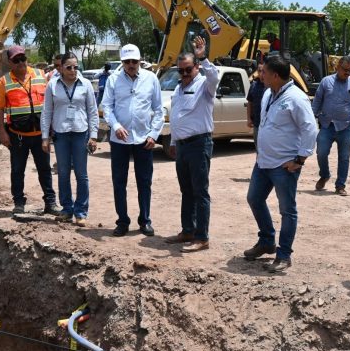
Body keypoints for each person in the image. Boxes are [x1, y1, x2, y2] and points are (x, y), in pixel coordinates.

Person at [243, 54, 318, 273]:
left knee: (287, 210)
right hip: (264, 162)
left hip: (284, 165)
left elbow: (310, 128)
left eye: (264, 72)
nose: (260, 74)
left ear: (275, 75)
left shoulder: (296, 97)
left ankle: (284, 254)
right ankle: (267, 241)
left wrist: (300, 159)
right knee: (254, 199)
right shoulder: (268, 93)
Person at [101, 44, 164, 237]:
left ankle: (145, 220)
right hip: (119, 140)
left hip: (144, 139)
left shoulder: (151, 79)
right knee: (119, 181)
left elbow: (160, 110)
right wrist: (116, 126)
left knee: (144, 181)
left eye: (134, 61)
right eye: (127, 61)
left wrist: (154, 134)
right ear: (122, 62)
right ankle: (122, 221)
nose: (130, 65)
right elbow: (107, 107)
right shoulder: (113, 80)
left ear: (140, 61)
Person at [164, 36, 218, 252]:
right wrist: (175, 141)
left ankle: (202, 237)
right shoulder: (178, 88)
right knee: (186, 190)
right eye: (181, 71)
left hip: (199, 144)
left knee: (200, 192)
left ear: (196, 67)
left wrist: (203, 56)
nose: (185, 74)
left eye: (188, 69)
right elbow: (177, 116)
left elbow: (214, 75)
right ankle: (188, 230)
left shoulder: (205, 85)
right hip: (183, 146)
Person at [0, 45, 57, 216]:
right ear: (10, 62)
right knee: (17, 170)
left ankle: (50, 203)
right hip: (18, 135)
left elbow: (50, 103)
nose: (21, 62)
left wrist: (51, 129)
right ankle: (19, 203)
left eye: (23, 58)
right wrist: (2, 132)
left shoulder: (40, 75)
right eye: (17, 60)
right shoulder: (4, 82)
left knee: (44, 169)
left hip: (40, 134)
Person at [41, 52, 99, 227]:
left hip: (81, 133)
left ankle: (81, 211)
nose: (73, 70)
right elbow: (47, 112)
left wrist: (94, 136)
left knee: (82, 175)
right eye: (69, 67)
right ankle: (67, 209)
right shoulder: (53, 85)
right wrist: (45, 137)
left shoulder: (86, 84)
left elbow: (93, 111)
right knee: (63, 173)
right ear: (61, 68)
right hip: (61, 134)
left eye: (76, 67)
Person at [311, 55, 350, 196]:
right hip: (327, 125)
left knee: (344, 157)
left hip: (346, 126)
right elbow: (317, 101)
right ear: (337, 67)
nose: (347, 73)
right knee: (321, 152)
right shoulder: (326, 82)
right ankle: (324, 175)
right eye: (345, 70)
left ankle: (340, 185)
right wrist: (310, 119)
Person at [246, 62, 266, 144]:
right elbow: (249, 102)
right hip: (257, 123)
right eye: (259, 71)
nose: (261, 73)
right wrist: (249, 119)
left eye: (263, 71)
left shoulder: (271, 86)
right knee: (258, 148)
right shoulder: (253, 85)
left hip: (267, 125)